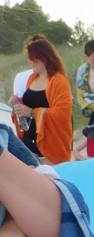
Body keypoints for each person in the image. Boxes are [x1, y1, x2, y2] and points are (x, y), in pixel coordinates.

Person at [12, 37, 73, 165]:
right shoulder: (32, 78)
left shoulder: (59, 81)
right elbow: (30, 105)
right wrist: (18, 104)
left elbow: (63, 114)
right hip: (28, 148)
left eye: (33, 59)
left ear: (44, 58)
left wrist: (32, 112)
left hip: (49, 152)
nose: (30, 62)